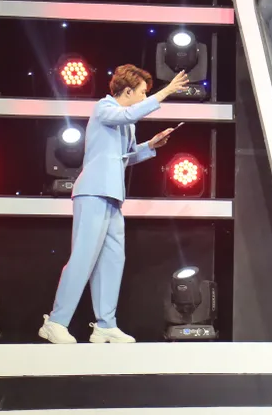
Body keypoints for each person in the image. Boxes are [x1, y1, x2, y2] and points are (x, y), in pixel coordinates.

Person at [39, 64, 190, 344]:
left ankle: (105, 325)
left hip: (112, 196)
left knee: (112, 260)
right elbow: (129, 114)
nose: (144, 98)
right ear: (128, 91)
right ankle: (56, 321)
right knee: (83, 257)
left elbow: (124, 157)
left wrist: (150, 146)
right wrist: (165, 92)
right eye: (142, 93)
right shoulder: (104, 108)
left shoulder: (126, 123)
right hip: (93, 192)